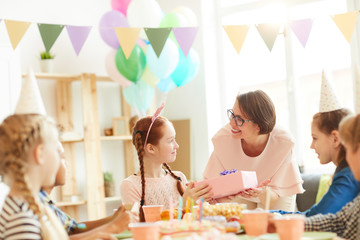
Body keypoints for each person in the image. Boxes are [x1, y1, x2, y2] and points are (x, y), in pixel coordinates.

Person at [203, 90, 304, 211]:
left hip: (274, 193)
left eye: (239, 119)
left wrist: (262, 194)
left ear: (258, 126)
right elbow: (212, 188)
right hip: (241, 190)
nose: (231, 123)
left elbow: (273, 197)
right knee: (242, 224)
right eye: (232, 115)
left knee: (275, 222)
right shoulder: (223, 140)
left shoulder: (283, 144)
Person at [120, 104, 213, 222]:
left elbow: (192, 221)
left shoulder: (179, 178)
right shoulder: (130, 186)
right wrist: (184, 206)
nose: (177, 146)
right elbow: (140, 229)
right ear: (151, 148)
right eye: (170, 141)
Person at [41, 141, 138, 240]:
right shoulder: (36, 203)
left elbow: (74, 228)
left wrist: (113, 218)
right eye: (62, 157)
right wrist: (113, 226)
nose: (67, 163)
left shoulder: (45, 201)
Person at [274, 108, 360, 216]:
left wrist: (273, 215)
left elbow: (317, 216)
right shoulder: (343, 173)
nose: (311, 146)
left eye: (315, 138)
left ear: (335, 139)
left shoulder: (347, 176)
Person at [0, 114, 68, 240]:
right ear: (40, 154)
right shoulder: (22, 221)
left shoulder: (25, 207)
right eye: (56, 151)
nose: (59, 159)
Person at [303, 114, 360, 240]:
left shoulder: (346, 177)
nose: (348, 158)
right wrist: (284, 222)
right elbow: (338, 221)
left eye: (349, 149)